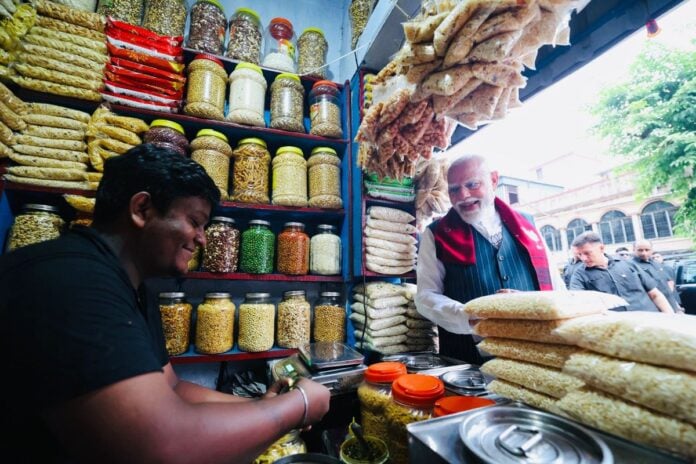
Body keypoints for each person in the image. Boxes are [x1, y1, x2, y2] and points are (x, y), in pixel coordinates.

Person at [0, 145, 331, 463]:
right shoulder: (71, 279)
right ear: (142, 210)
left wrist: (260, 405)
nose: (202, 238)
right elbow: (162, 450)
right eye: (194, 221)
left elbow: (172, 388)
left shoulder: (133, 285)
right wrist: (298, 405)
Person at [415, 154, 566, 365]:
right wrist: (469, 316)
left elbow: (557, 288)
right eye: (454, 189)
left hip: (533, 354)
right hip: (466, 362)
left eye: (472, 184)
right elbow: (425, 296)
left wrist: (530, 305)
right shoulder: (436, 234)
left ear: (494, 180)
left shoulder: (528, 224)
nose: (464, 196)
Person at [569, 232, 673, 313]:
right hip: (617, 330)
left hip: (649, 321)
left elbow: (655, 294)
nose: (583, 258)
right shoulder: (579, 275)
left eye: (587, 253)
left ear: (601, 248)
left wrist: (670, 317)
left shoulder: (628, 265)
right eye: (579, 254)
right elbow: (579, 303)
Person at [633, 240, 683, 312]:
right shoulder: (631, 266)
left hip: (671, 305)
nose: (644, 253)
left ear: (652, 250)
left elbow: (669, 285)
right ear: (634, 250)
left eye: (647, 250)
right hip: (654, 308)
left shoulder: (656, 264)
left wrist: (677, 306)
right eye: (640, 250)